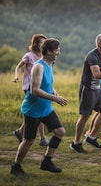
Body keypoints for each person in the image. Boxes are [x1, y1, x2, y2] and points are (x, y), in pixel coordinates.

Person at [10, 38, 68, 176]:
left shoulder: (50, 64)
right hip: (33, 110)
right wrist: (55, 98)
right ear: (49, 51)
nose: (59, 52)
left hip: (46, 108)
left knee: (60, 132)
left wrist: (53, 90)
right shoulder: (38, 66)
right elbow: (34, 89)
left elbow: (46, 82)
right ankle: (16, 166)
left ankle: (46, 162)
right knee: (29, 140)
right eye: (57, 50)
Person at [70, 33, 101, 153]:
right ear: (100, 43)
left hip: (97, 88)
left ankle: (91, 137)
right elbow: (96, 74)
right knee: (85, 116)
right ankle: (76, 143)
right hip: (88, 89)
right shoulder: (92, 56)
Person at [12, 34, 50, 147]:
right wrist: (16, 76)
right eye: (41, 43)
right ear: (35, 44)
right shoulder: (29, 56)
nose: (43, 45)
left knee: (35, 111)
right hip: (29, 87)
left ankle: (20, 131)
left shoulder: (44, 57)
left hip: (41, 87)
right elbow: (18, 66)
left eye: (45, 43)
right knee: (40, 109)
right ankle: (42, 138)